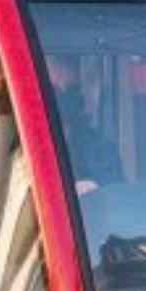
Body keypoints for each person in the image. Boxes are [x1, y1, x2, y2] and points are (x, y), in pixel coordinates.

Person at [46, 55, 123, 195]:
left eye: (68, 84)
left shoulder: (100, 149)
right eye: (53, 86)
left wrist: (95, 188)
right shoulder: (22, 146)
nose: (62, 87)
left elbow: (118, 194)